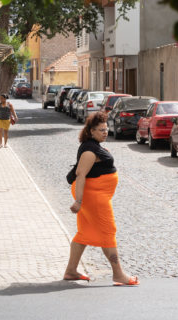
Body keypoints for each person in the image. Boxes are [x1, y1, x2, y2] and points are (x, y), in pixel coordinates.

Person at [64, 111, 138, 286]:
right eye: (101, 130)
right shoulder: (89, 150)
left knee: (84, 233)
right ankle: (118, 274)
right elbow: (80, 175)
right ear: (91, 131)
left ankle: (71, 271)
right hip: (93, 197)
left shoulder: (94, 145)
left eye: (106, 129)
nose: (105, 132)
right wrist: (79, 202)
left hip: (96, 195)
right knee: (108, 231)